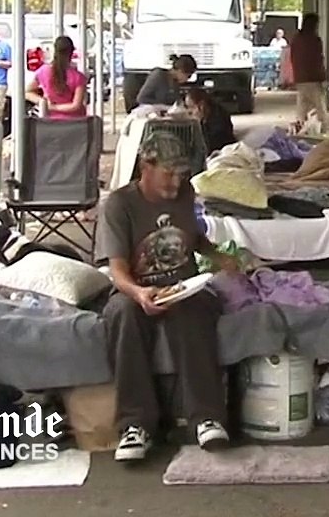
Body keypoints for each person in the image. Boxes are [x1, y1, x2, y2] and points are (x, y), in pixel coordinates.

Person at [98, 131, 241, 463]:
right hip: (136, 289)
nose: (176, 183)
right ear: (146, 166)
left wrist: (219, 255)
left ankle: (207, 417)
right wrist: (140, 292)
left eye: (182, 175)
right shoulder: (120, 204)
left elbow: (193, 238)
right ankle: (136, 426)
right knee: (123, 314)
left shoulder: (184, 194)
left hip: (183, 286)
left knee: (195, 309)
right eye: (169, 173)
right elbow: (117, 270)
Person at [27, 35, 88, 120]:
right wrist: (56, 107)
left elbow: (27, 92)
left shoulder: (43, 71)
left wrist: (44, 103)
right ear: (71, 52)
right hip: (75, 123)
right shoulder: (78, 77)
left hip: (50, 122)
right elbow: (76, 105)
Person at [290, 12, 329, 132]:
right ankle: (326, 130)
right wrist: (323, 76)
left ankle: (299, 129)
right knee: (320, 106)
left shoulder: (296, 39)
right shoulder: (314, 40)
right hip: (313, 78)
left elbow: (293, 57)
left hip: (300, 78)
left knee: (302, 107)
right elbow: (317, 60)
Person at [185, 88, 235, 153]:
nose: (189, 111)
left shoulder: (218, 120)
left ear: (201, 105)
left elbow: (208, 146)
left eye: (191, 107)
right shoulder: (207, 114)